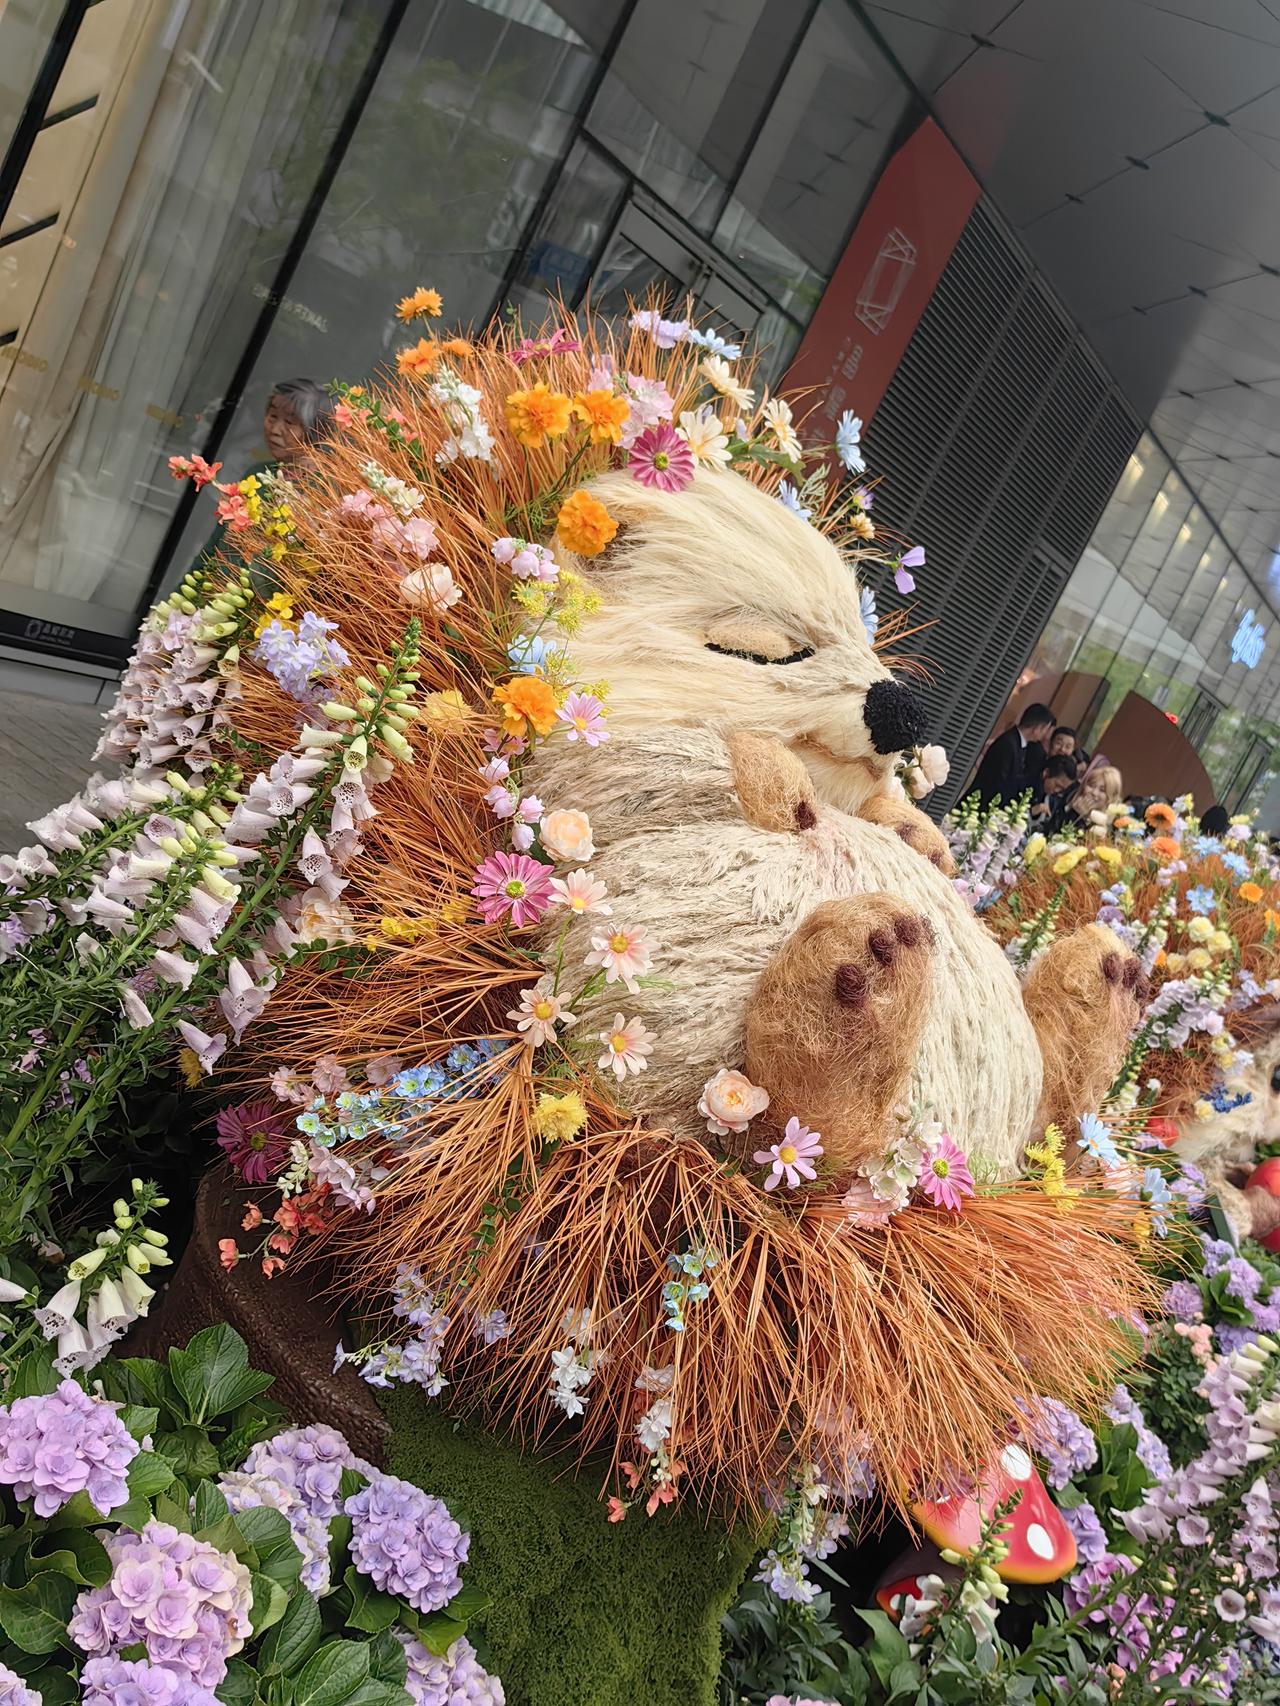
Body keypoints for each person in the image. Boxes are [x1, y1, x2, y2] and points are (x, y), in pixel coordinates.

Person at [191, 378, 334, 581]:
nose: (275, 429)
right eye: (273, 416)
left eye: (290, 422)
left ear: (317, 431)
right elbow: (216, 544)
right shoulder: (257, 474)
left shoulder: (325, 492)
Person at [972, 702, 1055, 807]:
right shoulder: (1008, 743)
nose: (1044, 735)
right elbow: (998, 781)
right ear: (1037, 728)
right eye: (1045, 730)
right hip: (980, 803)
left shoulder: (1019, 744)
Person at [1069, 763, 1124, 829]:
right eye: (1091, 785)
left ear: (1112, 797)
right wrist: (1075, 813)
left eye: (1102, 790)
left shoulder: (1112, 826)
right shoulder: (1066, 805)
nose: (1094, 793)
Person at [1029, 754, 1078, 827]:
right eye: (1057, 785)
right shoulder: (1023, 785)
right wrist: (1031, 811)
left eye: (1062, 789)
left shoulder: (1050, 798)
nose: (1057, 790)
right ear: (1046, 773)